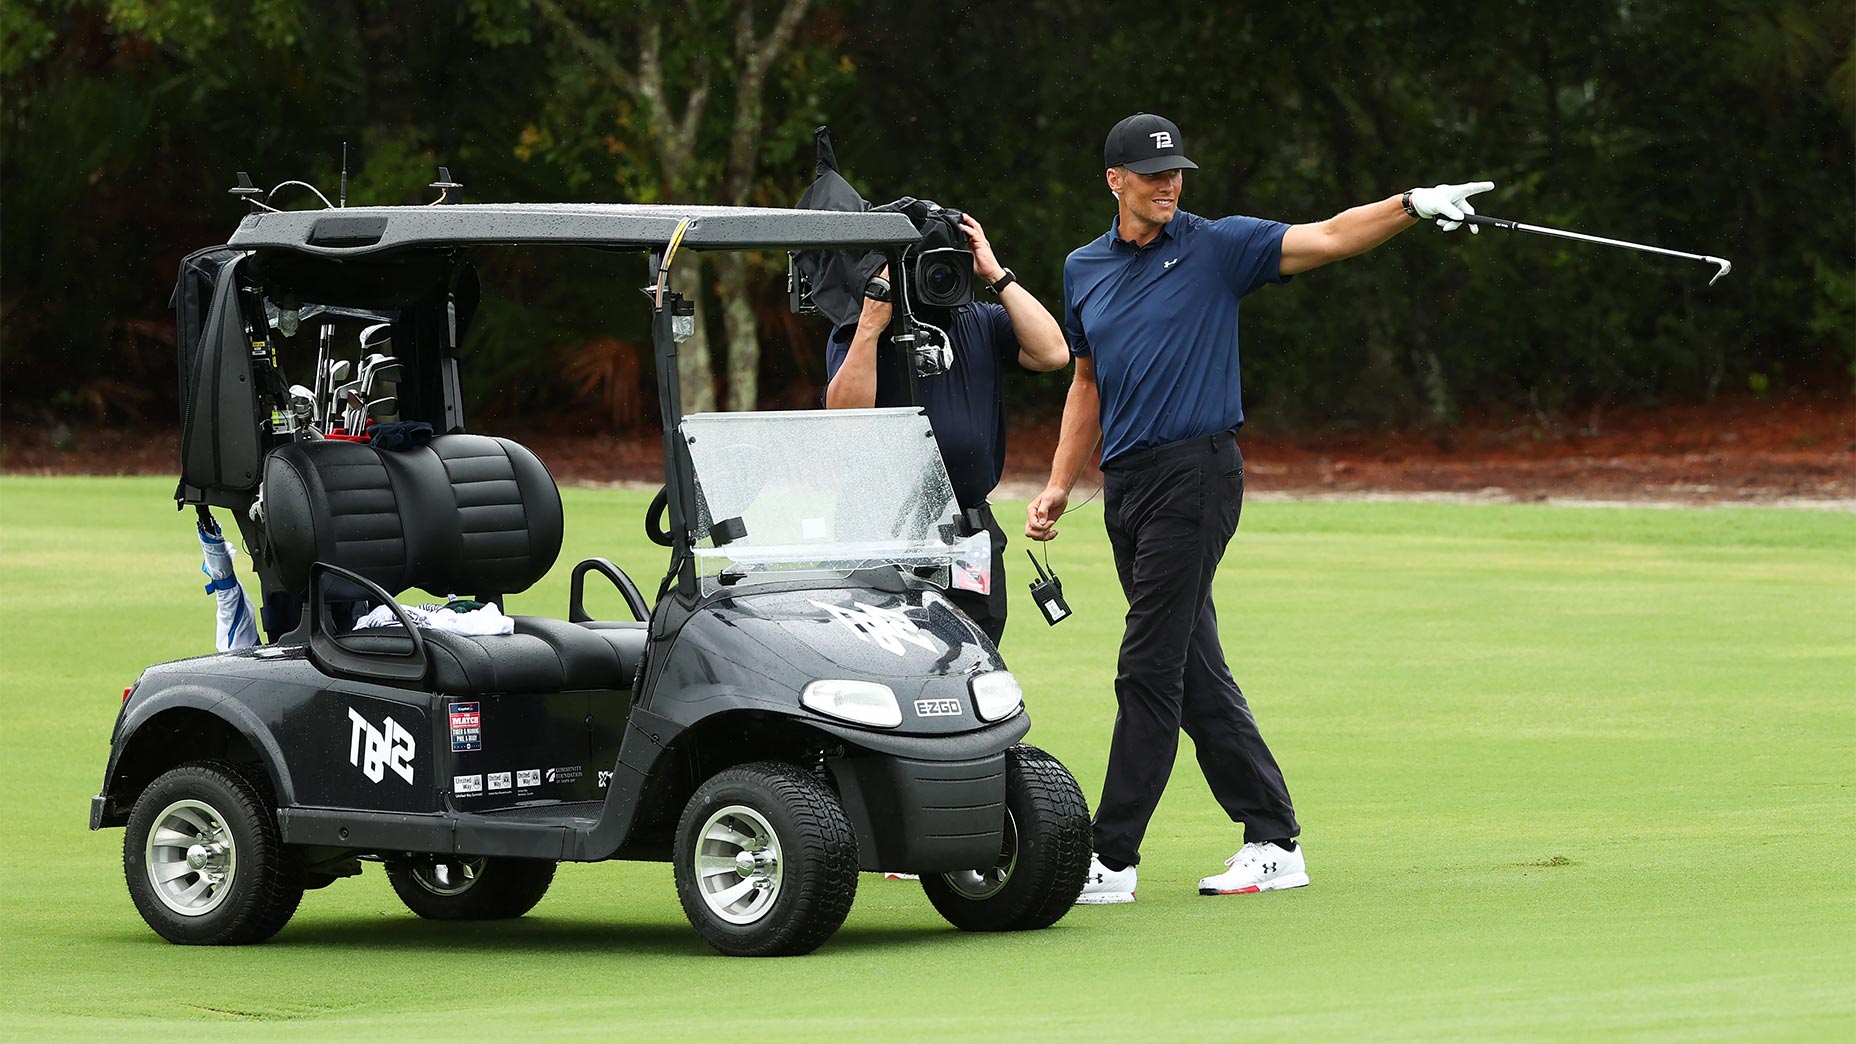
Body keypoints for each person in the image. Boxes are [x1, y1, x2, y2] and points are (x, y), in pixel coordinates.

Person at [1025, 112, 1492, 903]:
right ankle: (1274, 840)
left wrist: (1408, 204)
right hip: (1127, 488)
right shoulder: (1084, 268)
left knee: (1147, 668)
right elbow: (1087, 382)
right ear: (1115, 180)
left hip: (1198, 475)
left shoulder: (1218, 245)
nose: (1168, 185)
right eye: (1150, 173)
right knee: (1192, 670)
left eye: (1176, 173)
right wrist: (1059, 483)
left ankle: (1110, 859)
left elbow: (1333, 237)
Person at [828, 212, 1069, 646]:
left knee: (975, 654)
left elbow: (1052, 352)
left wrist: (996, 274)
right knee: (886, 662)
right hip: (884, 529)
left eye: (945, 265)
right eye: (922, 266)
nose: (935, 278)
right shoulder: (862, 327)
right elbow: (844, 416)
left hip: (967, 527)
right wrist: (870, 325)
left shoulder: (980, 319)